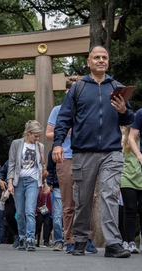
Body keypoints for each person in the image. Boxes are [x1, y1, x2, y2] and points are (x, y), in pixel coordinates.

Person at [52, 45, 134, 258]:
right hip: (83, 151)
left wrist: (124, 111)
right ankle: (79, 240)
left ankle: (113, 244)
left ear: (108, 61)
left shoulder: (117, 87)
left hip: (111, 151)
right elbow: (63, 119)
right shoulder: (79, 88)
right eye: (96, 57)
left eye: (104, 57)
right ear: (88, 62)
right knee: (83, 198)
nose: (100, 60)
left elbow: (130, 119)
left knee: (109, 196)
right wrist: (58, 144)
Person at [45, 76, 97, 254]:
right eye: (73, 89)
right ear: (68, 91)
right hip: (66, 156)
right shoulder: (58, 110)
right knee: (69, 202)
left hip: (86, 155)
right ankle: (70, 239)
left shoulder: (87, 109)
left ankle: (87, 239)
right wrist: (66, 129)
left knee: (88, 200)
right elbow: (48, 134)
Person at [7, 120, 49, 251]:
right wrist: (10, 183)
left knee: (30, 211)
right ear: (28, 133)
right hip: (19, 180)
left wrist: (44, 183)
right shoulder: (16, 144)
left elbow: (42, 167)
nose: (37, 138)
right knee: (20, 213)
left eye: (39, 136)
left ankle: (31, 239)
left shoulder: (40, 146)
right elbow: (12, 164)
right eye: (35, 136)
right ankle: (22, 237)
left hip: (32, 181)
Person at [120, 125, 142, 253]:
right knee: (130, 210)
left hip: (141, 179)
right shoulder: (124, 141)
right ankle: (130, 241)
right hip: (127, 178)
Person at [128, 109, 142, 252]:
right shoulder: (140, 113)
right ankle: (130, 241)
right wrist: (139, 156)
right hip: (131, 176)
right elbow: (131, 137)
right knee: (131, 209)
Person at [0, 160, 19, 249]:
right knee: (8, 214)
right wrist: (0, 180)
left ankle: (26, 236)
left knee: (25, 214)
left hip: (24, 189)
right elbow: (2, 172)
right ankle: (18, 233)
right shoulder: (10, 160)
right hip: (10, 191)